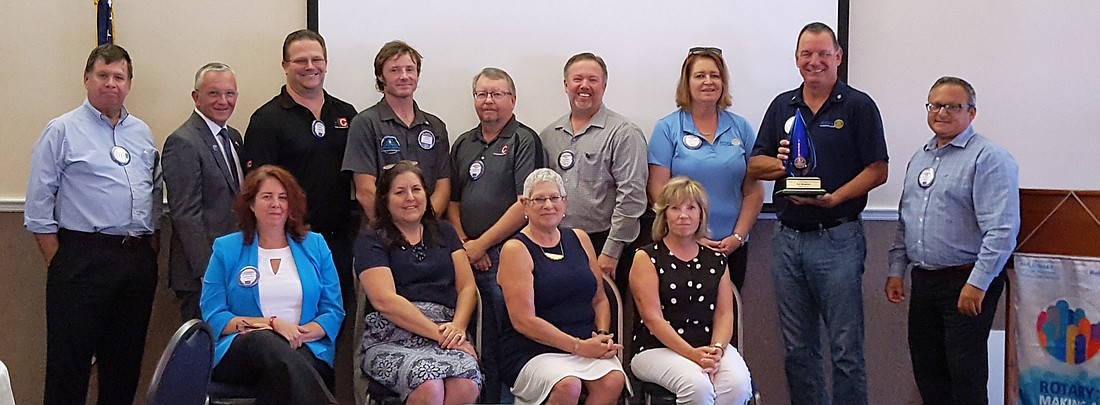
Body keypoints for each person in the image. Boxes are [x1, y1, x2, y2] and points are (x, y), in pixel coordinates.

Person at [747, 22, 889, 405]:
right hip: (787, 240)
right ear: (796, 59)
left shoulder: (858, 105)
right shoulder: (782, 106)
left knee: (845, 349)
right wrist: (781, 166)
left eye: (824, 53)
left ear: (838, 57)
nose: (815, 61)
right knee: (797, 349)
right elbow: (754, 164)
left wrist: (836, 198)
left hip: (838, 238)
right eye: (807, 54)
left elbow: (878, 170)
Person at [25, 44, 162, 405]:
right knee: (69, 367)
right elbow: (38, 207)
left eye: (119, 77)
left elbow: (153, 196)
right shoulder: (62, 130)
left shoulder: (142, 133)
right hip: (81, 258)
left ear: (129, 84)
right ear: (87, 79)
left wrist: (147, 255)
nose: (111, 84)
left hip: (134, 260)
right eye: (103, 75)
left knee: (123, 366)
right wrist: (62, 262)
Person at [886, 76, 1020, 405]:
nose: (941, 112)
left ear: (971, 113)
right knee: (929, 372)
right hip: (925, 279)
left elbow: (1002, 229)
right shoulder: (920, 157)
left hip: (967, 279)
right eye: (935, 105)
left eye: (952, 106)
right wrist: (896, 269)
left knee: (965, 374)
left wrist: (978, 284)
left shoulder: (989, 158)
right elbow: (907, 218)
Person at [201, 165, 344, 404]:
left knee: (280, 376)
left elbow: (333, 312)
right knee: (265, 341)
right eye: (267, 197)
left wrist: (297, 335)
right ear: (251, 204)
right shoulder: (226, 249)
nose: (276, 204)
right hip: (241, 350)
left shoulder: (315, 245)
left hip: (305, 345)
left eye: (283, 197)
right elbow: (214, 315)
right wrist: (273, 325)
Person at [242, 29, 359, 317]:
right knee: (291, 322)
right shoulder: (266, 120)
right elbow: (259, 189)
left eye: (316, 59)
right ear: (285, 66)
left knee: (335, 320)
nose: (310, 67)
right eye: (300, 60)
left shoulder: (346, 113)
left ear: (326, 63)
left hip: (338, 242)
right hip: (289, 241)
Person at [447, 67, 544, 402]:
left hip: (508, 257)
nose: (488, 101)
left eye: (497, 94)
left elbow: (524, 204)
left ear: (513, 100)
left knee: (504, 338)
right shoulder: (463, 142)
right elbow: (453, 201)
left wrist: (483, 244)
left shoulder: (523, 140)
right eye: (482, 94)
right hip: (467, 256)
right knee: (473, 339)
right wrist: (465, 244)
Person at [498, 168, 628, 405]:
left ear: (564, 202)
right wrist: (578, 347)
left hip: (585, 342)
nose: (548, 205)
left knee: (614, 380)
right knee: (569, 385)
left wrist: (601, 336)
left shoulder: (580, 238)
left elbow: (599, 299)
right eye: (539, 199)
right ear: (525, 205)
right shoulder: (515, 249)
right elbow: (523, 321)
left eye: (554, 198)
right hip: (532, 349)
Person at [355, 161, 481, 404]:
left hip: (447, 331)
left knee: (466, 384)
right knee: (429, 385)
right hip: (391, 337)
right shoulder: (371, 238)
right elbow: (385, 301)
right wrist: (440, 335)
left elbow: (467, 287)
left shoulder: (445, 231)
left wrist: (457, 328)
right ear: (385, 199)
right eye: (399, 192)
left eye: (416, 189)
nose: (409, 198)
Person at [648, 47, 764, 290]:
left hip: (731, 248)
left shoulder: (741, 128)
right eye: (700, 76)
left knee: (727, 317)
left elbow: (753, 191)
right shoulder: (668, 128)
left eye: (715, 75)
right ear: (687, 83)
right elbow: (658, 190)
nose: (708, 82)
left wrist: (737, 238)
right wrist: (692, 236)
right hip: (681, 246)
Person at [630, 177, 753, 405]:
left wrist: (716, 350)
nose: (683, 215)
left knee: (737, 385)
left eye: (691, 208)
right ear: (664, 215)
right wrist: (692, 355)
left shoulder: (716, 260)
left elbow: (724, 314)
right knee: (697, 386)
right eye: (675, 208)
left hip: (708, 345)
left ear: (701, 215)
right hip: (655, 348)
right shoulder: (646, 257)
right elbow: (653, 319)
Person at [539, 52, 647, 279]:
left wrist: (611, 251)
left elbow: (632, 197)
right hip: (554, 242)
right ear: (566, 84)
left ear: (604, 86)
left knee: (603, 310)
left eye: (593, 80)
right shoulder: (549, 136)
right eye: (577, 79)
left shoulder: (624, 133)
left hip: (602, 244)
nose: (584, 86)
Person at [163, 62, 244, 322]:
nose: (223, 101)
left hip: (235, 267)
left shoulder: (234, 137)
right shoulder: (183, 141)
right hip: (202, 275)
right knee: (202, 353)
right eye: (214, 93)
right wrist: (211, 273)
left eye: (230, 93)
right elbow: (186, 214)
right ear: (196, 97)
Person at [344, 40, 451, 223]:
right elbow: (365, 190)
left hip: (428, 234)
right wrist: (397, 228)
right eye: (394, 70)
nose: (404, 76)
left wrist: (423, 227)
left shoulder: (435, 126)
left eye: (410, 69)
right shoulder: (365, 124)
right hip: (382, 236)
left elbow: (443, 186)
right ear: (380, 76)